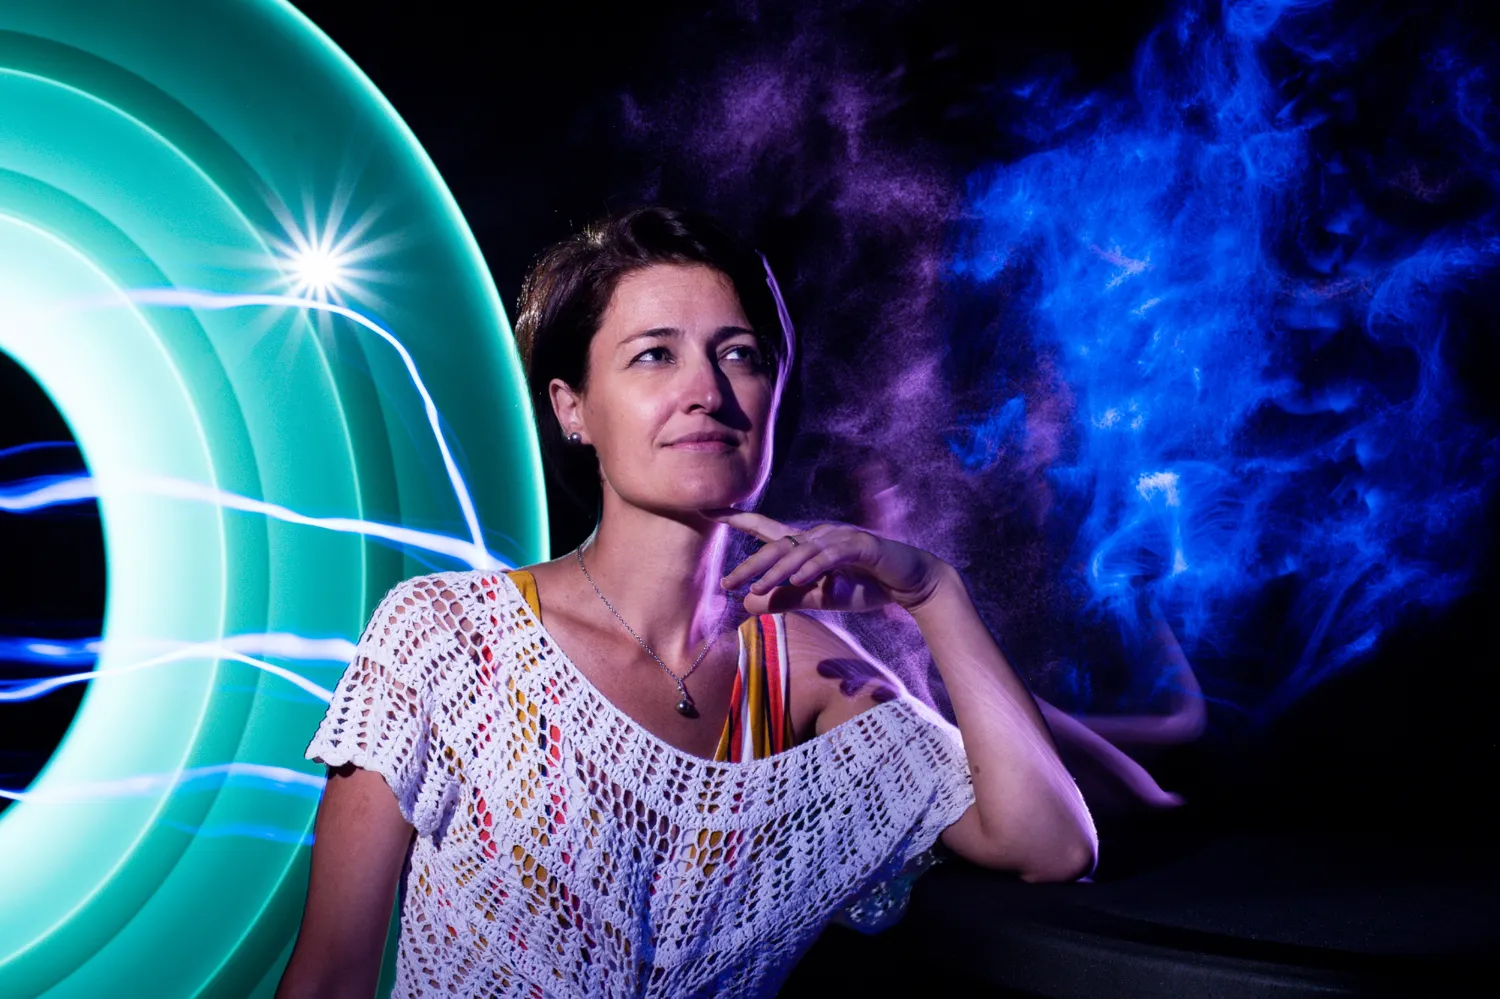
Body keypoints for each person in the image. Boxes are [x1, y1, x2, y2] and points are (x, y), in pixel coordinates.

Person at [275, 206, 1096, 999]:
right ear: (571, 407)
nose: (706, 389)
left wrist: (934, 592)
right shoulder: (444, 638)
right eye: (654, 355)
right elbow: (329, 978)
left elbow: (1050, 842)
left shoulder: (801, 673)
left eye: (738, 354)